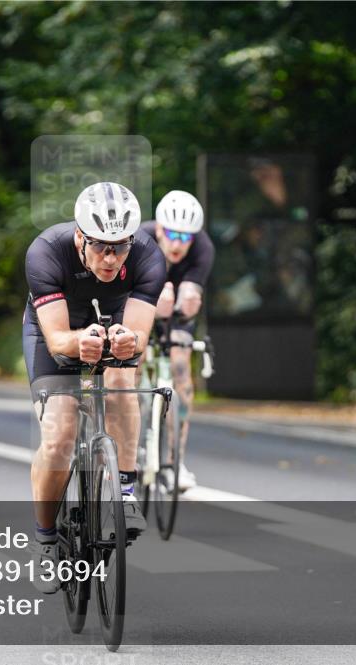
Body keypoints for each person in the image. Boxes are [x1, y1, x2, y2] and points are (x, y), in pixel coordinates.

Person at [24, 182, 165, 593]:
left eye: (119, 247)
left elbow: (139, 332)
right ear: (81, 237)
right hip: (58, 326)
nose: (110, 258)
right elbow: (55, 339)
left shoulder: (148, 255)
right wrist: (76, 342)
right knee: (60, 433)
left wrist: (130, 342)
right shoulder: (46, 251)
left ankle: (124, 490)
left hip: (115, 316)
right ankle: (45, 540)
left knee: (122, 382)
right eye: (101, 246)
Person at [139, 190, 215, 491]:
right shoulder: (140, 240)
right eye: (171, 234)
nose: (177, 244)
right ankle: (130, 446)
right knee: (134, 360)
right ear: (158, 228)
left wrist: (186, 303)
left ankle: (176, 460)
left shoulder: (203, 248)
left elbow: (191, 293)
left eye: (186, 237)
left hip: (177, 312)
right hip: (140, 303)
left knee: (181, 370)